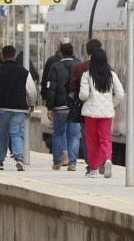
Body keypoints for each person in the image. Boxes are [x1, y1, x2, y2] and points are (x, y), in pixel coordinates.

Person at [0, 45, 39, 171]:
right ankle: (19, 158)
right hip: (19, 109)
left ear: (2, 56)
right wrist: (31, 103)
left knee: (1, 135)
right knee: (16, 134)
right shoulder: (24, 72)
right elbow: (32, 91)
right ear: (14, 56)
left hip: (1, 108)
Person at [77, 47, 123, 178]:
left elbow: (83, 95)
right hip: (106, 113)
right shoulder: (112, 75)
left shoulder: (87, 75)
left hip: (91, 113)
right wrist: (111, 104)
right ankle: (107, 159)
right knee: (105, 139)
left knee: (92, 141)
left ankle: (94, 170)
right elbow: (120, 94)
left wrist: (83, 97)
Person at [41, 40, 80, 170]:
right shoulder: (78, 66)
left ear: (61, 53)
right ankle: (73, 163)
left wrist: (50, 107)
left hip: (59, 107)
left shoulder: (55, 67)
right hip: (74, 107)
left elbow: (51, 89)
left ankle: (57, 162)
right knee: (74, 136)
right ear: (72, 53)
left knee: (58, 133)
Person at [68, 38, 102, 165]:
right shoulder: (107, 68)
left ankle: (91, 164)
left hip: (85, 108)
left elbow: (72, 86)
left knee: (88, 137)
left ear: (87, 51)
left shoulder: (81, 67)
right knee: (102, 137)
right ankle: (102, 160)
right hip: (104, 109)